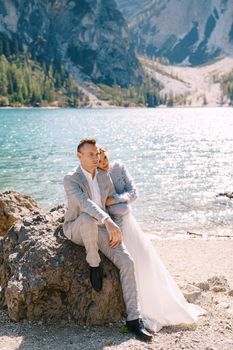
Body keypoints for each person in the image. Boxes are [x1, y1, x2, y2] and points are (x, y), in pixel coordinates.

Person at [98, 147, 205, 332]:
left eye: (105, 158)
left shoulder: (118, 167)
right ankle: (134, 309)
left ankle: (158, 306)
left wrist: (116, 200)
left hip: (130, 224)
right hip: (114, 226)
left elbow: (134, 193)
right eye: (99, 161)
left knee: (145, 261)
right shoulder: (97, 177)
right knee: (129, 265)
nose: (104, 163)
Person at [63, 139, 152, 341]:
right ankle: (94, 263)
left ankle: (133, 320)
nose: (95, 158)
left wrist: (116, 228)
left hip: (102, 229)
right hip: (76, 227)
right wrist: (106, 219)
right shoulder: (71, 178)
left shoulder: (104, 177)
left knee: (128, 263)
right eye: (90, 155)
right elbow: (84, 204)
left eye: (96, 154)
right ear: (79, 156)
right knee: (87, 218)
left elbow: (111, 201)